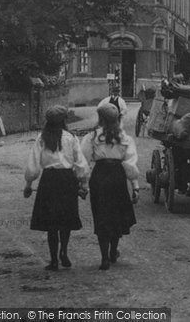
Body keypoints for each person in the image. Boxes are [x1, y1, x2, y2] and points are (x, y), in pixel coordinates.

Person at [24, 105, 90, 271]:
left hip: (49, 181)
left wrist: (29, 184)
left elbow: (33, 164)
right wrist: (83, 183)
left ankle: (53, 260)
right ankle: (64, 253)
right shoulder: (71, 138)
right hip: (67, 181)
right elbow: (80, 162)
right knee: (65, 220)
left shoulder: (42, 138)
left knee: (51, 222)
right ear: (63, 121)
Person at [81, 103, 139, 270]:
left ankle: (104, 258)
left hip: (99, 177)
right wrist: (135, 186)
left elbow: (84, 162)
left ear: (100, 119)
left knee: (101, 216)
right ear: (117, 119)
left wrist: (83, 184)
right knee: (116, 215)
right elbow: (130, 163)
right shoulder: (124, 138)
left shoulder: (91, 137)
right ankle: (113, 251)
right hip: (117, 177)